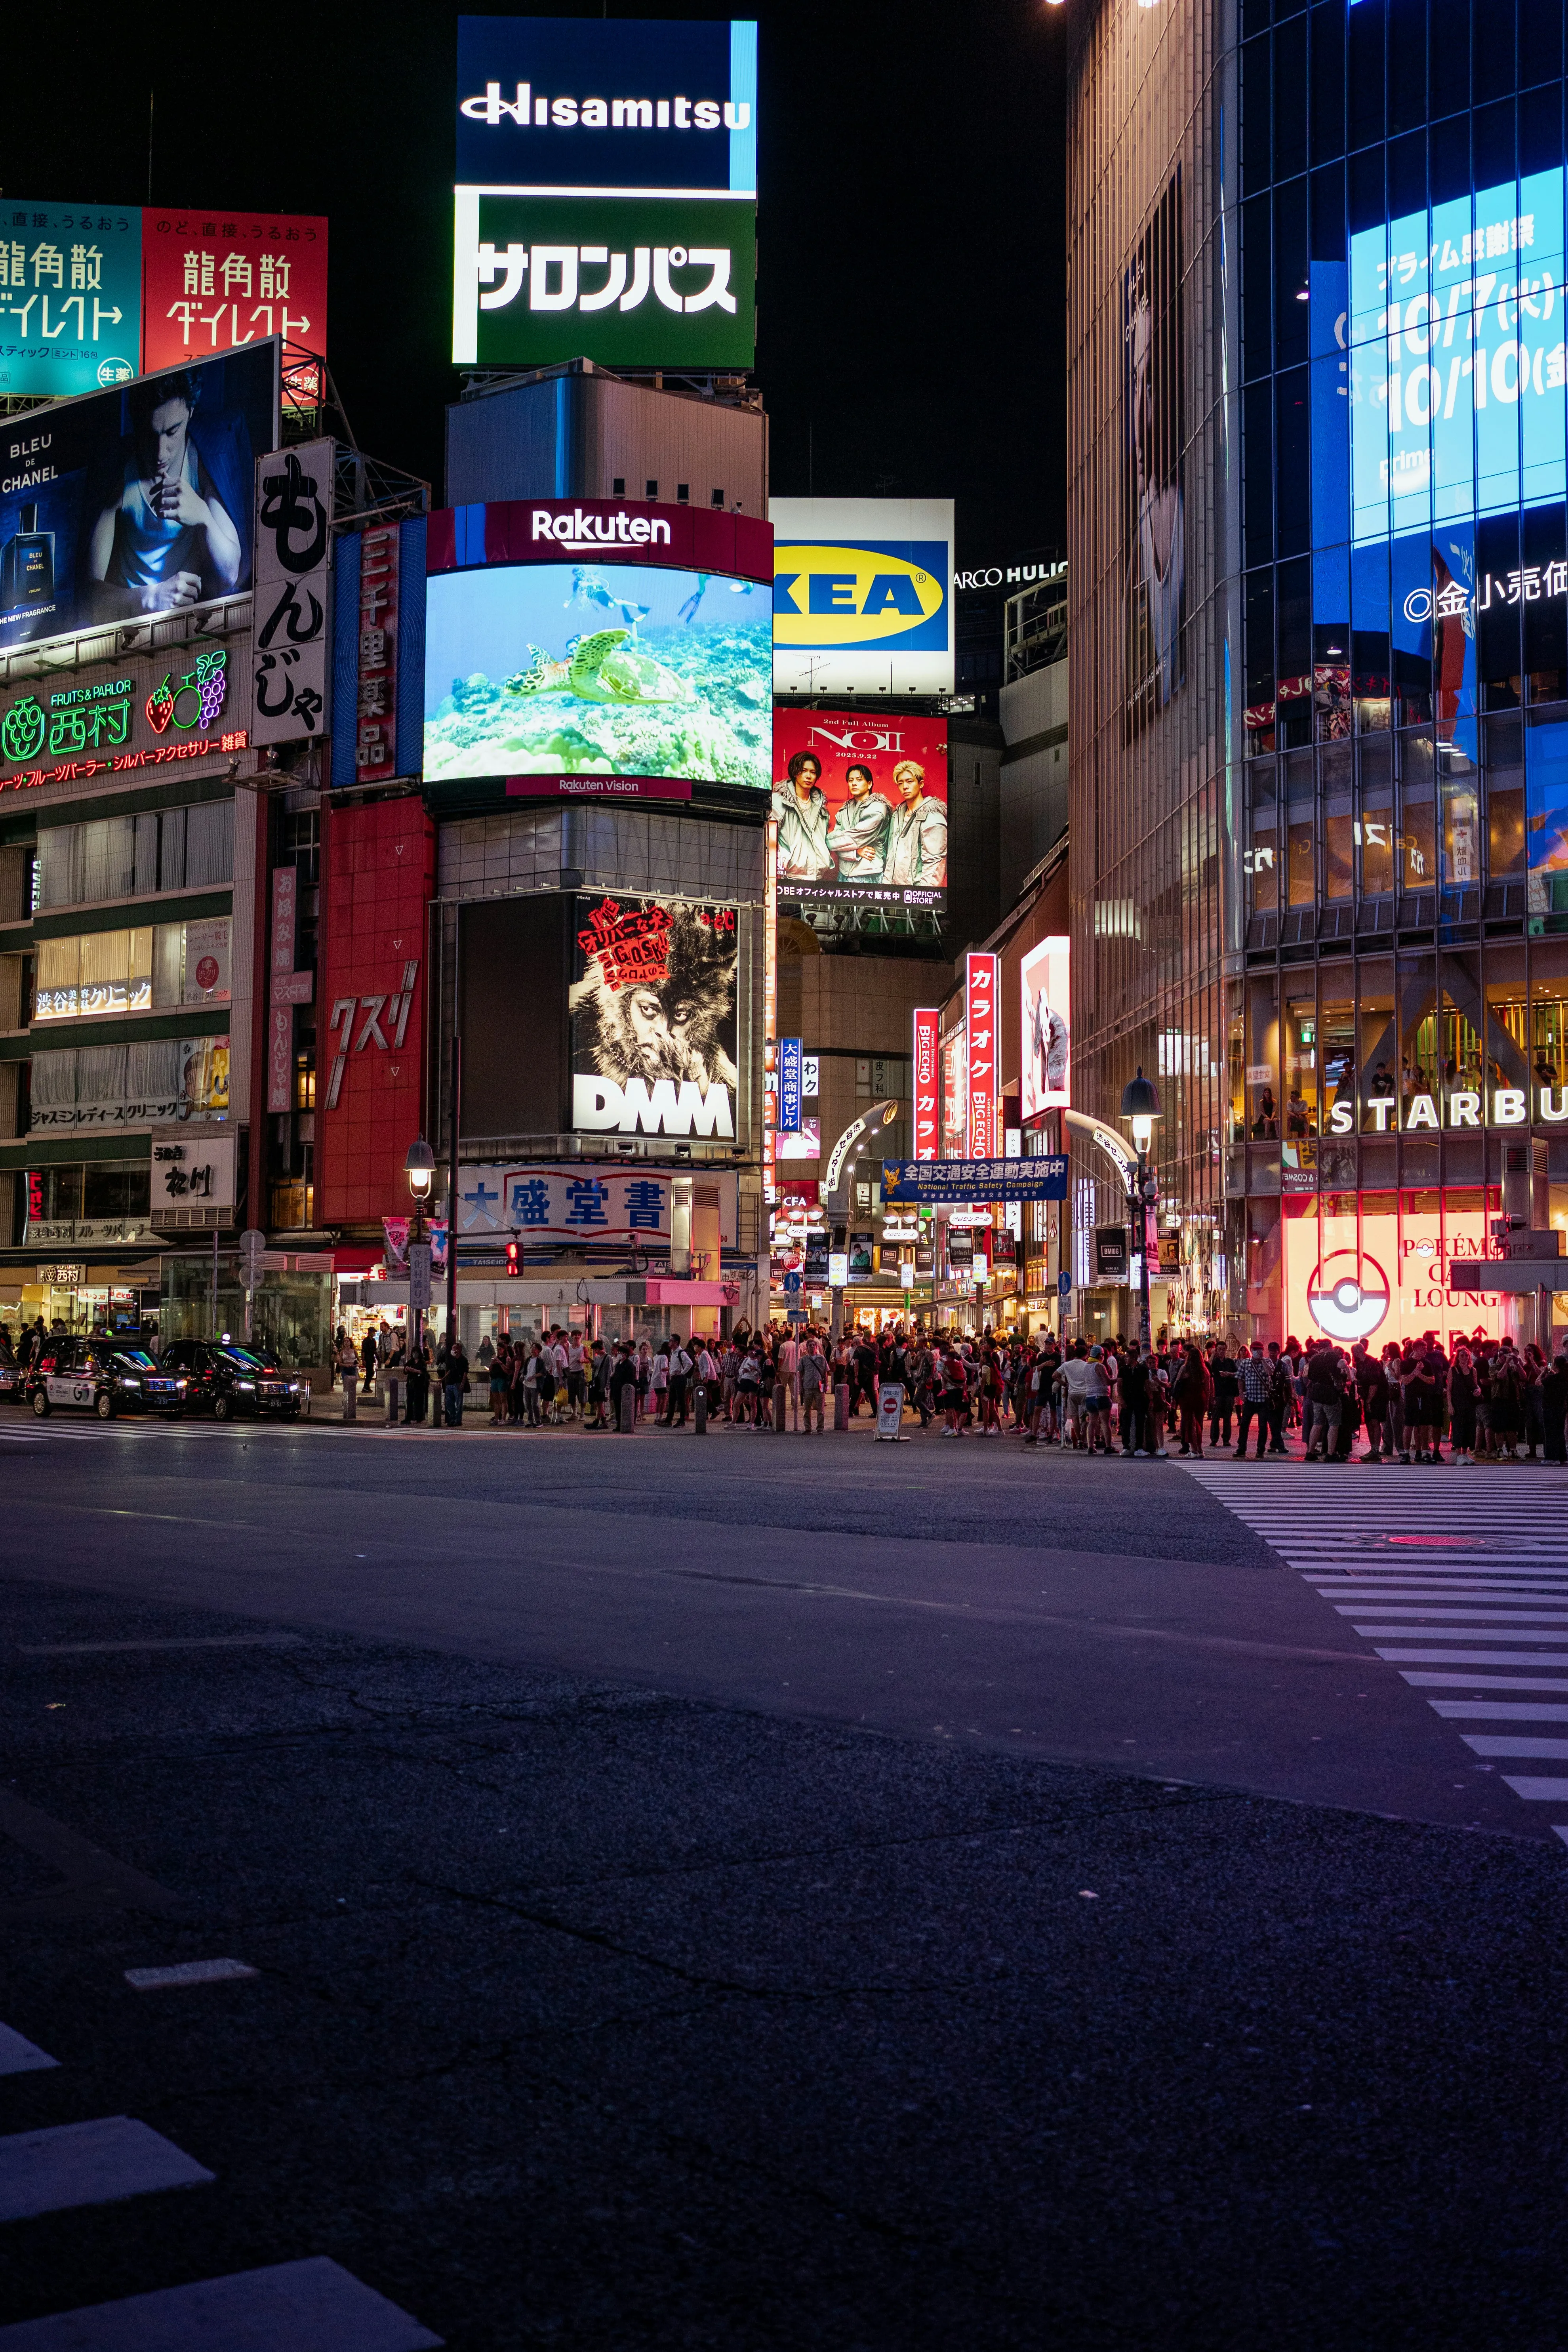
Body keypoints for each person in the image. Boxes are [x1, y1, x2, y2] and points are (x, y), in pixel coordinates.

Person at [90, 370, 244, 616]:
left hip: (190, 621)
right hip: (130, 625)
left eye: (172, 432)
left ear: (191, 413)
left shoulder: (204, 463)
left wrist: (203, 516)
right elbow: (90, 597)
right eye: (150, 435)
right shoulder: (119, 473)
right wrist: (149, 598)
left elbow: (229, 575)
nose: (160, 453)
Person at [881, 759, 948, 888]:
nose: (905, 787)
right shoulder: (896, 816)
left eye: (910, 781)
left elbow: (935, 866)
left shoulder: (933, 818)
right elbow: (890, 858)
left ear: (921, 784)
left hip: (915, 899)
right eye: (901, 783)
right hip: (893, 895)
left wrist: (922, 900)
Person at [772, 750, 835, 883]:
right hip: (789, 877)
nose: (809, 776)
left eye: (813, 772)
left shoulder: (821, 807)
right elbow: (769, 837)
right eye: (804, 771)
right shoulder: (779, 801)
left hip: (818, 878)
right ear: (795, 772)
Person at [825, 762, 892, 885]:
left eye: (859, 780)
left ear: (870, 784)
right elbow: (833, 844)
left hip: (868, 874)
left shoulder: (878, 809)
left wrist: (832, 840)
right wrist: (855, 852)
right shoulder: (844, 810)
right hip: (843, 874)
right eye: (851, 780)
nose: (854, 783)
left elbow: (845, 839)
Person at [1302, 1343, 1346, 1460]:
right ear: (1330, 1347)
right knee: (1333, 1424)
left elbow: (1310, 1377)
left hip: (1316, 1395)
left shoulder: (1314, 1359)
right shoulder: (1333, 1357)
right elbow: (1340, 1370)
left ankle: (1310, 1452)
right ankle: (1331, 1454)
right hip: (1330, 1395)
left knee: (1317, 1423)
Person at [1234, 1340, 1273, 1458]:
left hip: (1263, 1399)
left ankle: (1260, 1450)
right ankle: (1241, 1449)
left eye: (1259, 1350)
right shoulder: (1246, 1363)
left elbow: (1270, 1372)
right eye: (1255, 1350)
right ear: (1251, 1351)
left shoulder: (1268, 1361)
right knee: (1244, 1425)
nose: (1257, 1352)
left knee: (1263, 1425)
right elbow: (1240, 1378)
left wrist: (1262, 1360)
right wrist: (1241, 1393)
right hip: (1250, 1399)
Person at [1448, 1344, 1478, 1464]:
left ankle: (1465, 1454)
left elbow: (1475, 1385)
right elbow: (1449, 1389)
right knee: (1458, 1428)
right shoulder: (1453, 1370)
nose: (1465, 1357)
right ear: (1458, 1357)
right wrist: (1450, 1405)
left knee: (1469, 1428)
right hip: (1457, 1403)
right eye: (1462, 1355)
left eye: (1466, 1355)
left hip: (1470, 1403)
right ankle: (1459, 1455)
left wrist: (1478, 1390)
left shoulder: (1473, 1370)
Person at [1208, 1340, 1237, 1451]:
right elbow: (1208, 1368)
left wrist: (1229, 1375)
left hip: (1229, 1392)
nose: (1221, 1352)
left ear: (1226, 1350)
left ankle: (1226, 1439)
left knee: (1228, 1417)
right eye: (1219, 1349)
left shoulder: (1230, 1362)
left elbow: (1237, 1373)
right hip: (1218, 1393)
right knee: (1215, 1417)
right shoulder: (1214, 1361)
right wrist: (1213, 1355)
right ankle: (1214, 1440)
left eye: (1223, 1350)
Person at [609, 1342, 639, 1430]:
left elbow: (630, 1379)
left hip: (624, 1390)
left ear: (625, 1354)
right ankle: (619, 1424)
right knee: (618, 1407)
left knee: (624, 1408)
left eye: (621, 1353)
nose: (619, 1354)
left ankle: (624, 1424)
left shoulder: (630, 1365)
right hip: (617, 1389)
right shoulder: (619, 1363)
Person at [800, 1337, 826, 1433]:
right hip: (808, 1387)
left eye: (813, 1345)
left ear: (816, 1347)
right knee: (807, 1410)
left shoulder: (821, 1359)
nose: (812, 1347)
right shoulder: (804, 1359)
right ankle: (808, 1428)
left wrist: (826, 1385)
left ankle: (820, 1428)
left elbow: (825, 1373)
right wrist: (801, 1387)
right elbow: (801, 1374)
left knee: (821, 1410)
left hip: (819, 1388)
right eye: (810, 1346)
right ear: (807, 1348)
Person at [667, 1337, 693, 1428]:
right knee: (672, 1400)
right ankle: (669, 1419)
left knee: (681, 1400)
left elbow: (690, 1363)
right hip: (674, 1378)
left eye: (671, 1341)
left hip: (679, 1379)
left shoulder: (681, 1352)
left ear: (676, 1342)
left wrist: (682, 1373)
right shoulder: (673, 1352)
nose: (669, 1342)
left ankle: (682, 1420)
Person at [443, 1336, 468, 1428]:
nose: (453, 1350)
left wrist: (463, 1383)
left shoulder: (463, 1360)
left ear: (459, 1350)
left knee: (459, 1403)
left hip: (458, 1383)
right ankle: (452, 1418)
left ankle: (458, 1420)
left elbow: (466, 1372)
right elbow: (449, 1370)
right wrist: (443, 1379)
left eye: (454, 1349)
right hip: (450, 1383)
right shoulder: (451, 1359)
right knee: (449, 1403)